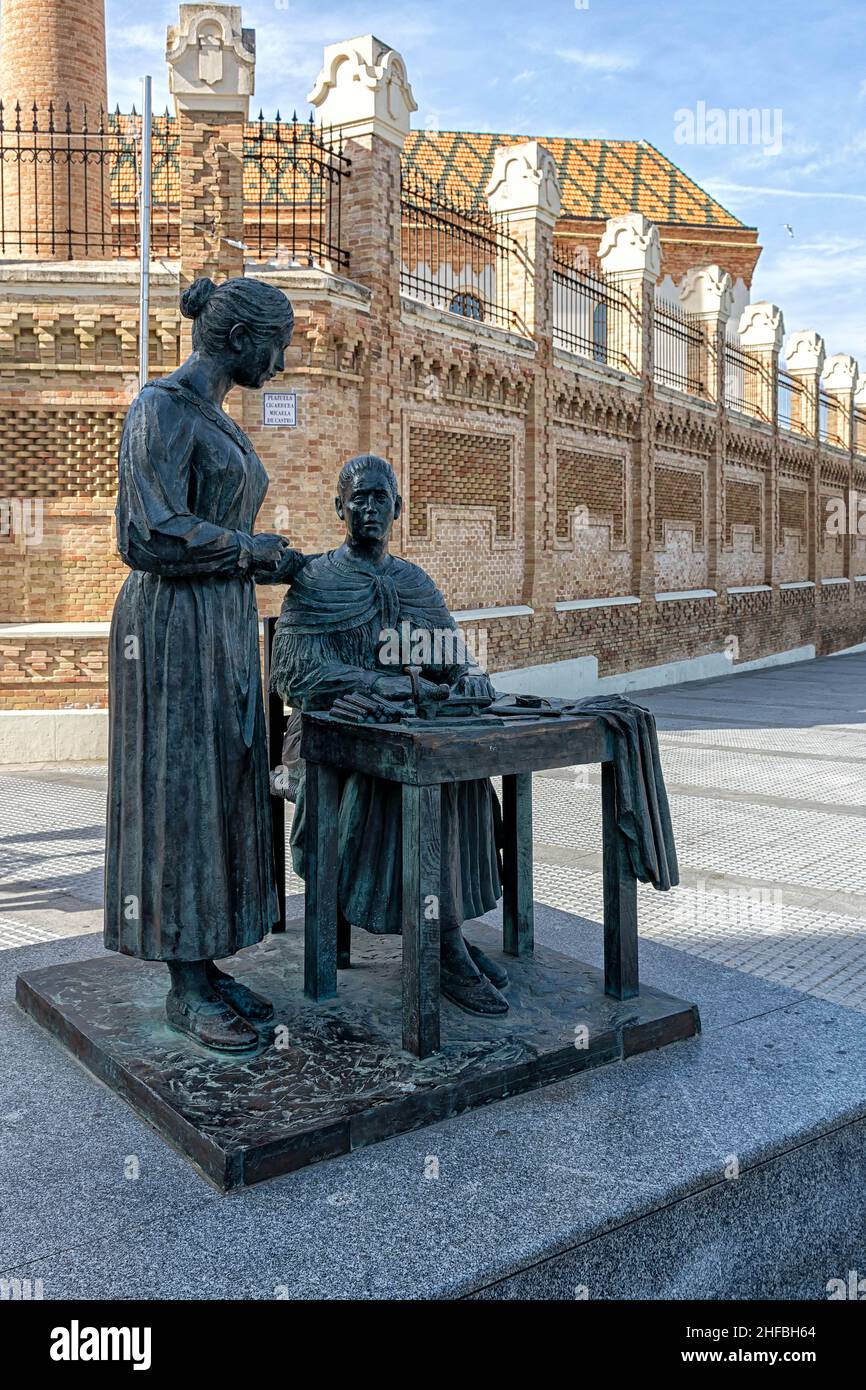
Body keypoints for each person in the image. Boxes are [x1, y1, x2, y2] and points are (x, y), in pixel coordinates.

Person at [104, 275, 302, 1052]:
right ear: (240, 338)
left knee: (223, 778)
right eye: (277, 345)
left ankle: (206, 956)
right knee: (179, 785)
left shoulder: (215, 418)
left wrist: (266, 559)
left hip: (220, 618)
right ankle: (184, 982)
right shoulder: (161, 408)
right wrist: (249, 550)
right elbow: (147, 534)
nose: (281, 363)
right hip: (169, 626)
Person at [269, 453, 510, 1016]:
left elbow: (452, 658)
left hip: (404, 734)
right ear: (339, 508)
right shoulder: (316, 581)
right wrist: (383, 683)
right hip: (324, 739)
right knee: (400, 782)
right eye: (359, 498)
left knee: (459, 774)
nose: (370, 508)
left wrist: (471, 678)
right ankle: (444, 947)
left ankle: (443, 928)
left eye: (381, 498)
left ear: (398, 507)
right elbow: (292, 673)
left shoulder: (414, 582)